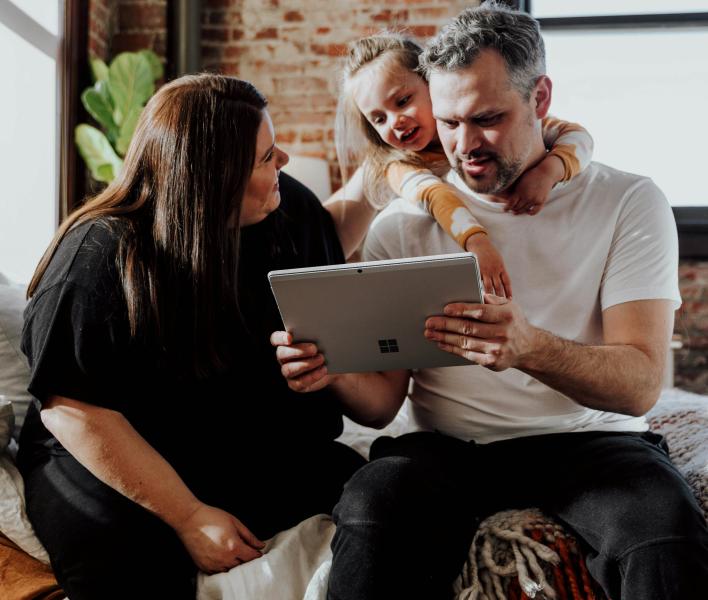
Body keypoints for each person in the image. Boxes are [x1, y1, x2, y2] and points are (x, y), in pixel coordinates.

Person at [273, 3, 708, 599]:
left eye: (488, 119)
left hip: (594, 442)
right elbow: (380, 408)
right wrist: (331, 370)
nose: (465, 145)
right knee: (372, 507)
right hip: (448, 449)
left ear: (542, 99)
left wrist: (527, 347)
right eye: (448, 123)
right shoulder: (404, 223)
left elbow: (639, 385)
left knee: (664, 533)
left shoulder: (627, 201)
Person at [16, 74, 365, 600]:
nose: (285, 161)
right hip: (112, 446)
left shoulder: (284, 207)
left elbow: (333, 255)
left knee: (382, 491)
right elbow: (71, 408)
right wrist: (189, 516)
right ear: (213, 181)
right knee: (134, 568)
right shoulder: (97, 254)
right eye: (267, 156)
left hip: (219, 439)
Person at [329, 31, 593, 296]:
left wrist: (549, 171)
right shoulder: (398, 166)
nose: (395, 121)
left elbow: (577, 135)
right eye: (379, 119)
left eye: (403, 101)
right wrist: (477, 243)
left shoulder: (497, 120)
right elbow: (436, 195)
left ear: (431, 85)